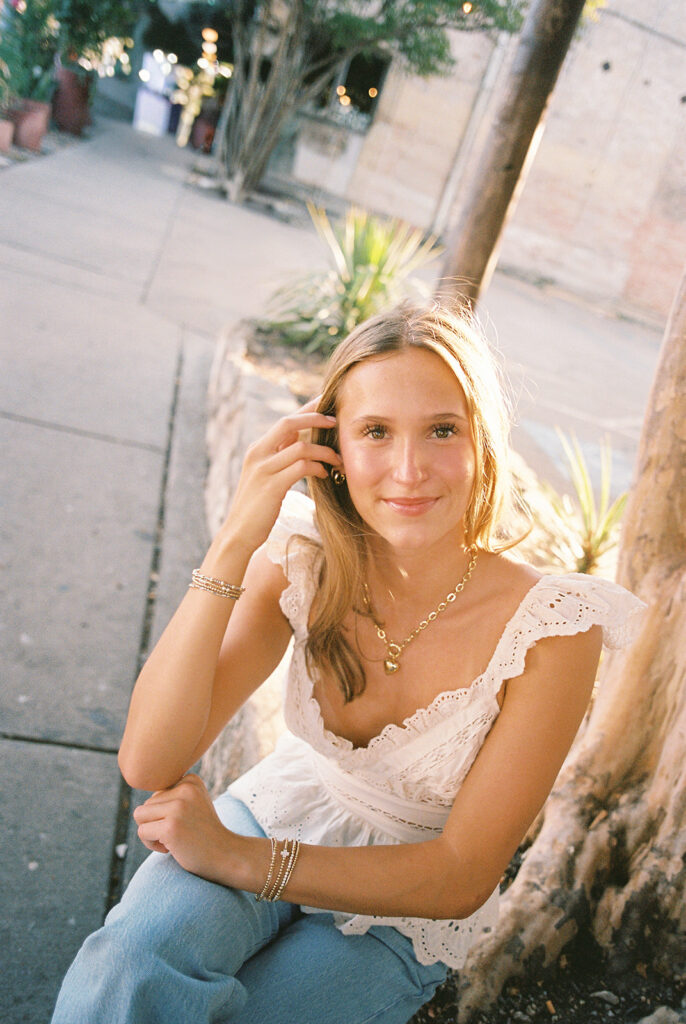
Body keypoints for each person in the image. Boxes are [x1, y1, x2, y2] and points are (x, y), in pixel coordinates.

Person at [51, 302, 644, 1024]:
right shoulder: (301, 563)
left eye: (442, 429)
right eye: (375, 432)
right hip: (279, 809)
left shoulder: (553, 628)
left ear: (482, 442)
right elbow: (149, 762)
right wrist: (233, 543)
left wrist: (238, 859)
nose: (408, 469)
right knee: (131, 964)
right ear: (330, 445)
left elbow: (461, 875)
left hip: (407, 905)